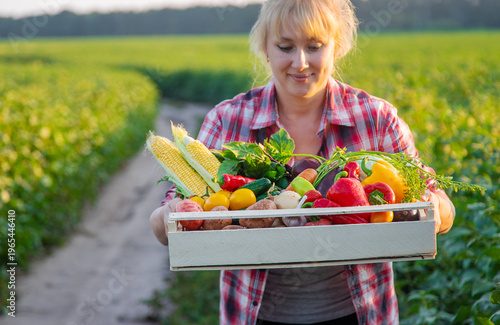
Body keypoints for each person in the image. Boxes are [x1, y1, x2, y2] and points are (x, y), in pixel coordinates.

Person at [150, 0, 456, 324]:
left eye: (314, 46)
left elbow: (440, 206)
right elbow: (170, 218)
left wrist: (432, 210)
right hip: (255, 314)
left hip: (359, 312)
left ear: (337, 47)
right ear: (265, 48)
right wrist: (169, 216)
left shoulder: (376, 118)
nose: (300, 62)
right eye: (285, 46)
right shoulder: (228, 120)